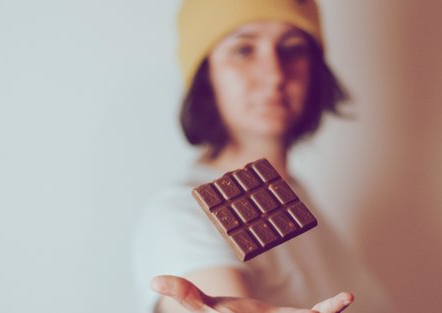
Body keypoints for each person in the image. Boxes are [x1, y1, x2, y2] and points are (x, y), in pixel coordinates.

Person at [135, 1, 381, 312]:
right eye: (243, 50)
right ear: (205, 73)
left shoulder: (299, 198)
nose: (274, 74)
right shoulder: (181, 215)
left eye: (292, 48)